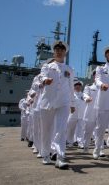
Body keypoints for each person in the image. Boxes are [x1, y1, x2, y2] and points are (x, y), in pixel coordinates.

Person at [38, 41, 75, 169]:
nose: (59, 51)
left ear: (65, 52)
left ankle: (60, 157)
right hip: (48, 101)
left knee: (61, 129)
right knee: (47, 130)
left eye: (62, 49)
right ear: (54, 52)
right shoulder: (47, 67)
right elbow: (41, 77)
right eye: (57, 49)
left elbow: (71, 88)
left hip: (63, 102)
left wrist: (72, 103)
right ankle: (46, 154)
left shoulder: (69, 69)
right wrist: (45, 80)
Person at [82, 71, 99, 153]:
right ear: (93, 77)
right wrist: (87, 98)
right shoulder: (89, 87)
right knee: (88, 130)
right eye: (96, 75)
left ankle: (99, 148)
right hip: (90, 111)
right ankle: (85, 146)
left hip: (101, 111)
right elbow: (85, 94)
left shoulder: (105, 87)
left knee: (99, 131)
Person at [66, 80, 85, 148]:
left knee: (81, 129)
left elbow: (87, 98)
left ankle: (80, 142)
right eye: (76, 86)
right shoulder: (71, 95)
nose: (78, 87)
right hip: (72, 114)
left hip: (81, 115)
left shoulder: (83, 94)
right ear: (74, 87)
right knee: (70, 128)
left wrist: (88, 99)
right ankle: (69, 141)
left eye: (79, 86)